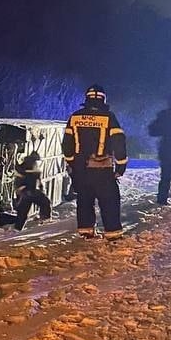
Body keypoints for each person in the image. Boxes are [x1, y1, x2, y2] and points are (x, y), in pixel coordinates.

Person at [62, 85, 128, 239]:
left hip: (80, 169)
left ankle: (86, 230)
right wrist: (121, 165)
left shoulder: (75, 117)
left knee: (84, 198)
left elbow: (67, 144)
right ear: (103, 99)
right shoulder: (109, 117)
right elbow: (119, 142)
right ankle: (112, 233)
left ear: (87, 98)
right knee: (109, 200)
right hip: (102, 168)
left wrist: (72, 163)